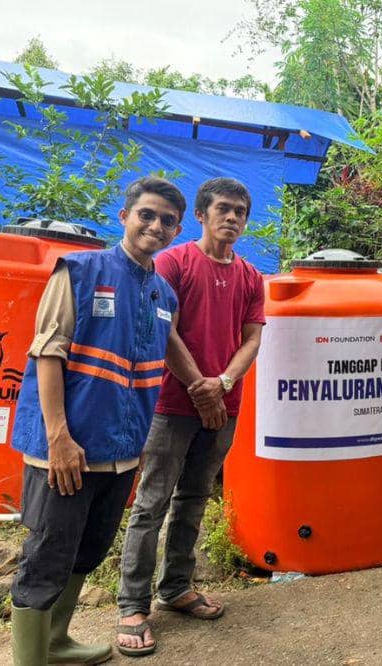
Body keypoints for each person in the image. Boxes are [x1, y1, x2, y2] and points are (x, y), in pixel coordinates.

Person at [8, 176, 184, 665]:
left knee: (88, 550)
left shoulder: (164, 296)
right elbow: (48, 353)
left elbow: (154, 362)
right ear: (124, 216)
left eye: (167, 220)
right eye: (146, 214)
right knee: (46, 556)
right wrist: (57, 437)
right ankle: (30, 660)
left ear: (177, 230)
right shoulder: (80, 271)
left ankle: (57, 642)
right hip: (67, 449)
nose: (155, 225)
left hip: (121, 451)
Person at [116, 178, 265, 655]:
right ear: (200, 215)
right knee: (152, 500)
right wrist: (202, 389)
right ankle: (132, 604)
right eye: (223, 208)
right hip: (173, 404)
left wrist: (221, 386)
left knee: (196, 496)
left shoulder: (250, 275)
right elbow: (165, 331)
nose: (233, 218)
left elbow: (252, 340)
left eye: (241, 211)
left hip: (225, 404)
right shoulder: (173, 263)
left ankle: (176, 587)